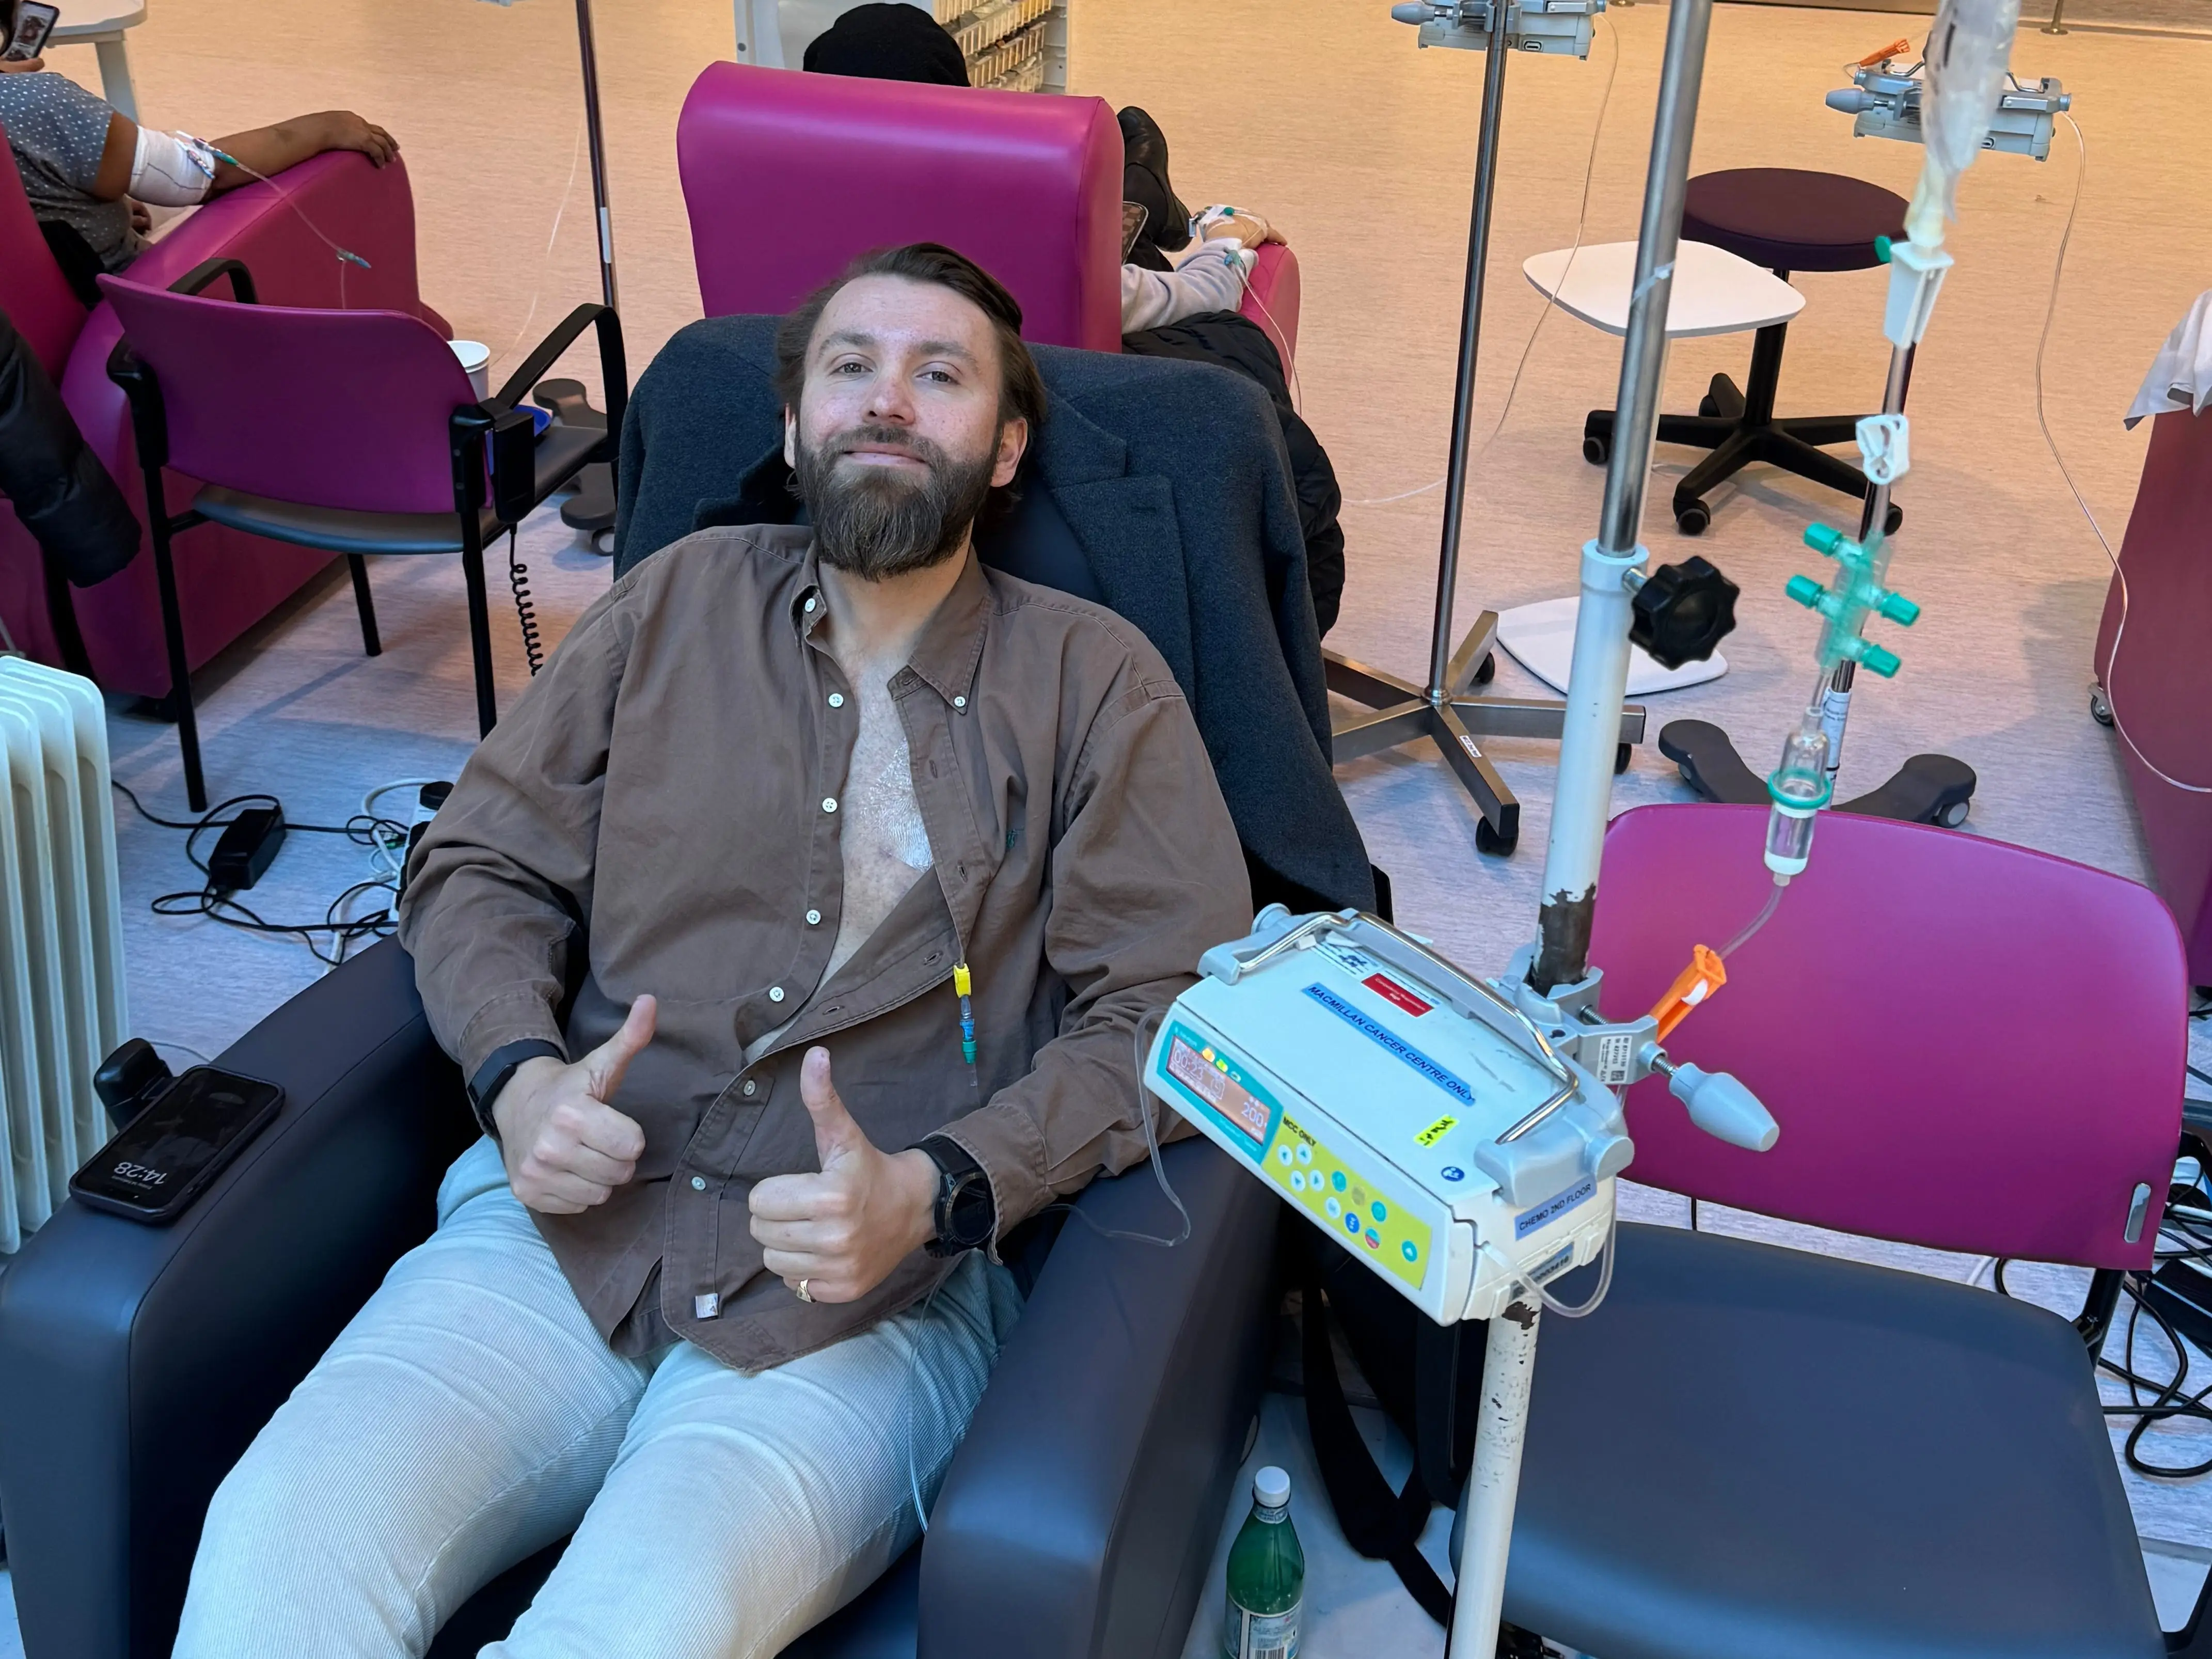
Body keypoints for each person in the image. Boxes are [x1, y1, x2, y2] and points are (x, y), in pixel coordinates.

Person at [172, 241, 1254, 1657]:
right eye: (848, 368)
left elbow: (1169, 1009)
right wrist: (517, 1076)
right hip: (557, 1231)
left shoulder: (1095, 681)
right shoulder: (672, 598)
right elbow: (479, 860)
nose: (885, 401)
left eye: (940, 376)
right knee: (274, 1555)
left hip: (870, 1295)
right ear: (790, 425)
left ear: (1003, 450)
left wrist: (939, 1187)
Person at [802, 9, 1344, 634]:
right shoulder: (990, 242)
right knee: (1179, 307)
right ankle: (1141, 193)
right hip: (1067, 340)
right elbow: (1186, 295)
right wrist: (1228, 242)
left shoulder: (782, 217)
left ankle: (1139, 191)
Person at [0, 0, 395, 276]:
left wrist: (103, 209)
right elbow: (199, 177)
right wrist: (324, 128)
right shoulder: (36, 102)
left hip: (29, 331)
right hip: (114, 300)